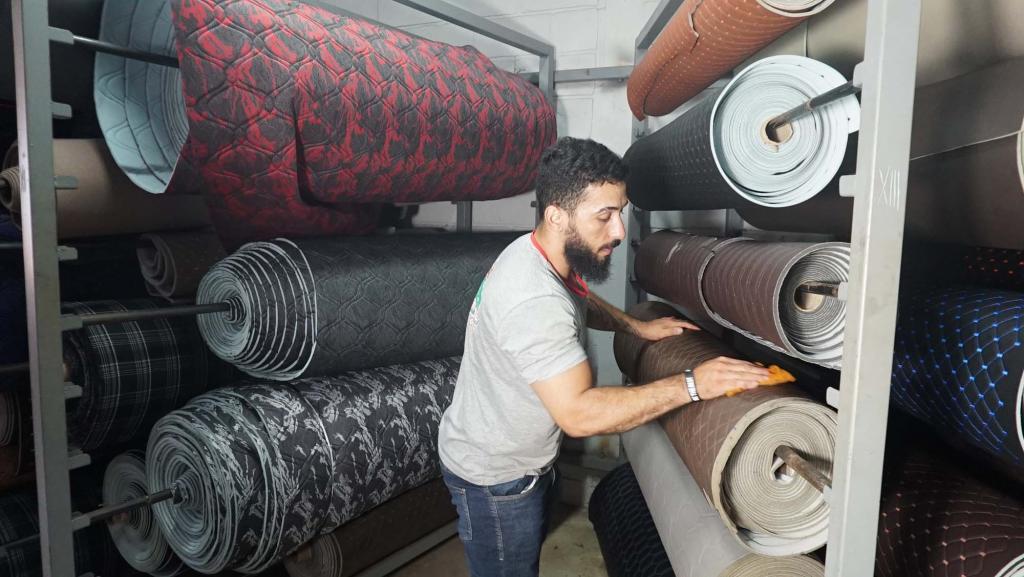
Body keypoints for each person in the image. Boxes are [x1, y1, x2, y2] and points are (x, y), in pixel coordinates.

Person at [437, 137, 770, 577]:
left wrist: (636, 327)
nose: (619, 231)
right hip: (497, 480)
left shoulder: (540, 254)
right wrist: (694, 384)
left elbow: (580, 300)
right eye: (604, 216)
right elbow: (579, 413)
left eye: (621, 212)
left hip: (519, 461)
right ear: (556, 215)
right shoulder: (533, 298)